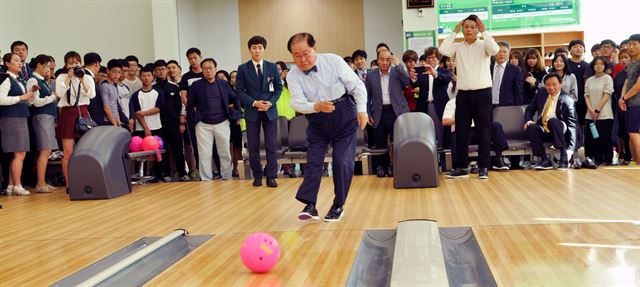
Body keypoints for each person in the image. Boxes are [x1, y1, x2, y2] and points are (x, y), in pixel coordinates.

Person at [286, 32, 368, 222]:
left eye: (306, 53)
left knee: (341, 161)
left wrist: (362, 110)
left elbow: (356, 86)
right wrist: (316, 106)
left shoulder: (333, 61)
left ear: (315, 48)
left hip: (344, 116)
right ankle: (310, 204)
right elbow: (297, 103)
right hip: (317, 120)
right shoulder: (293, 75)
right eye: (296, 56)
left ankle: (338, 205)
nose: (302, 59)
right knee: (314, 160)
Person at [439, 14, 500, 179]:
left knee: (484, 131)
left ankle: (483, 168)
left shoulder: (484, 45)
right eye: (466, 26)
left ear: (477, 28)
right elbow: (442, 50)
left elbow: (495, 50)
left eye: (473, 27)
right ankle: (462, 167)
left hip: (483, 93)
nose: (469, 29)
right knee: (461, 131)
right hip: (463, 95)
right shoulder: (457, 47)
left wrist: (485, 32)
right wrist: (454, 32)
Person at [236, 36, 283, 187]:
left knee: (271, 144)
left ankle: (271, 176)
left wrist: (270, 102)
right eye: (254, 47)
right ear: (249, 49)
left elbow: (278, 88)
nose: (257, 50)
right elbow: (240, 91)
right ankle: (257, 175)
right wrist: (255, 103)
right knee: (253, 146)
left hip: (270, 110)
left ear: (264, 49)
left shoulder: (272, 67)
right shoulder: (243, 68)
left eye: (260, 48)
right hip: (252, 111)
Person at [187, 58, 242, 181]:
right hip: (203, 124)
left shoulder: (223, 84)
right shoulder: (196, 86)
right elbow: (189, 105)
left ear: (215, 69)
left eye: (210, 67)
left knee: (225, 153)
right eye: (205, 68)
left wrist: (237, 113)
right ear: (202, 70)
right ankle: (206, 179)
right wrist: (194, 121)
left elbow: (235, 97)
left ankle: (227, 177)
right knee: (204, 154)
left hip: (222, 122)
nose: (208, 70)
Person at [55, 52, 96, 194]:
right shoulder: (61, 76)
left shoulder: (88, 76)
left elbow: (91, 95)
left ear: (81, 63)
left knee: (86, 150)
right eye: (70, 63)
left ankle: (86, 179)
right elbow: (59, 93)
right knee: (68, 152)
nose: (73, 65)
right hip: (67, 113)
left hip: (83, 113)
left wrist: (82, 79)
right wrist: (69, 78)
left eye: (76, 62)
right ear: (66, 64)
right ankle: (69, 183)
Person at [366, 50, 409, 178]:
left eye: (387, 59)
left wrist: (399, 64)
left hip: (396, 111)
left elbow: (407, 82)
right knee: (380, 141)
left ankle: (394, 165)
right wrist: (368, 113)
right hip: (379, 111)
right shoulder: (371, 75)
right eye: (381, 59)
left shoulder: (397, 72)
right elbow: (367, 97)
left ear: (391, 59)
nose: (385, 62)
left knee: (397, 140)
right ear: (377, 60)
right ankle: (381, 166)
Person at [524, 73, 577, 170]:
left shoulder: (567, 100)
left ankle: (564, 157)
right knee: (531, 127)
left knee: (552, 121)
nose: (551, 87)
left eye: (554, 84)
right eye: (548, 85)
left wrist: (570, 148)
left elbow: (572, 125)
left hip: (559, 131)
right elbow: (529, 109)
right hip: (543, 129)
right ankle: (544, 159)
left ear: (561, 84)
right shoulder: (541, 93)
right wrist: (529, 120)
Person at [0, 53, 35, 196]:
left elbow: (23, 99)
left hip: (19, 116)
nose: (20, 63)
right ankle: (18, 185)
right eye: (16, 60)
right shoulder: (6, 79)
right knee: (20, 153)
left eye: (21, 61)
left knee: (17, 153)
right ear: (7, 63)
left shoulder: (19, 79)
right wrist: (22, 97)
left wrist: (30, 94)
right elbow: (1, 99)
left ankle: (10, 185)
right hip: (11, 118)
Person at [26, 55, 58, 193]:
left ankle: (43, 181)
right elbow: (34, 102)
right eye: (45, 66)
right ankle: (40, 183)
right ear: (39, 65)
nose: (48, 70)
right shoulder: (33, 79)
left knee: (47, 150)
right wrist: (52, 97)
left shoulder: (42, 81)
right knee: (44, 150)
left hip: (48, 117)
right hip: (41, 117)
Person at [154, 59, 190, 181]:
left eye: (163, 69)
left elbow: (180, 106)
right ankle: (166, 174)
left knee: (178, 149)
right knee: (163, 150)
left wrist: (181, 122)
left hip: (174, 123)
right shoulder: (153, 88)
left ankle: (182, 173)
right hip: (158, 124)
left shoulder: (174, 87)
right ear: (154, 72)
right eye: (158, 69)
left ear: (166, 71)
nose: (161, 71)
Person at [411, 47, 452, 147]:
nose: (430, 60)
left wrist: (435, 73)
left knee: (441, 132)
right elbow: (416, 84)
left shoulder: (444, 71)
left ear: (438, 59)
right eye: (428, 57)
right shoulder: (422, 72)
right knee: (425, 132)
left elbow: (447, 78)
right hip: (424, 105)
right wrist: (413, 79)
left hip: (439, 105)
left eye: (433, 57)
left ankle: (443, 158)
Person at [179, 48, 205, 180]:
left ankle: (213, 170)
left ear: (200, 57)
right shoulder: (186, 77)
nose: (193, 61)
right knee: (194, 144)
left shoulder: (206, 73)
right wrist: (192, 107)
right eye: (190, 58)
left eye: (195, 57)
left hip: (209, 115)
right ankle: (198, 171)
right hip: (193, 115)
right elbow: (184, 96)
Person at [584, 56, 615, 166]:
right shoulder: (589, 80)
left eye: (601, 64)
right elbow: (586, 96)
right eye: (596, 64)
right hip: (591, 116)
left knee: (605, 138)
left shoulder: (608, 78)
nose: (599, 66)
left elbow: (607, 95)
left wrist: (597, 110)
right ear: (593, 66)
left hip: (605, 115)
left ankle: (608, 160)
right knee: (594, 137)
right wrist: (591, 110)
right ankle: (596, 159)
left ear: (605, 66)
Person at [619, 34, 640, 164]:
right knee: (631, 135)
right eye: (629, 44)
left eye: (634, 44)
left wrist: (625, 97)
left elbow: (638, 85)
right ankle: (636, 162)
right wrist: (622, 99)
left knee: (634, 133)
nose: (630, 47)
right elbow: (627, 82)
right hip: (630, 103)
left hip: (638, 103)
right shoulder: (632, 63)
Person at [613, 49, 632, 164]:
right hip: (620, 108)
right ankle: (626, 156)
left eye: (626, 57)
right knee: (623, 133)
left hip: (633, 107)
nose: (623, 60)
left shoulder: (635, 72)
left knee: (633, 133)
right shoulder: (619, 74)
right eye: (621, 58)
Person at [491, 41, 523, 106]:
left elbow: (518, 91)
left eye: (505, 52)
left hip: (507, 106)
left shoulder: (515, 70)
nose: (502, 54)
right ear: (494, 53)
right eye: (499, 51)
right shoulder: (488, 68)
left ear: (508, 53)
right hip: (489, 106)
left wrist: (518, 108)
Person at [99, 59, 123, 127]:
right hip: (107, 121)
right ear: (108, 71)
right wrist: (114, 124)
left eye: (119, 72)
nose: (116, 75)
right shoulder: (104, 85)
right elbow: (106, 107)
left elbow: (115, 105)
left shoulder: (114, 86)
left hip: (115, 121)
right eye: (114, 72)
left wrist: (118, 122)